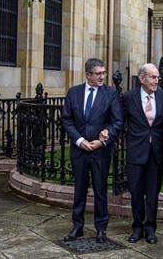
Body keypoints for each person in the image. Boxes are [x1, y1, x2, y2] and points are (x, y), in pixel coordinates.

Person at [61, 58, 123, 243]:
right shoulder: (73, 93)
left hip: (100, 152)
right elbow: (66, 120)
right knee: (79, 190)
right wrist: (79, 141)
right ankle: (77, 227)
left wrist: (103, 139)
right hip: (79, 151)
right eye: (98, 73)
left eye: (104, 73)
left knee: (100, 191)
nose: (102, 76)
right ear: (88, 74)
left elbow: (117, 122)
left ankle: (101, 229)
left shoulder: (110, 93)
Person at [122, 63, 163, 244]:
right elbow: (121, 121)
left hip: (157, 152)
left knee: (152, 192)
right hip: (136, 151)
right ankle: (137, 228)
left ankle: (150, 227)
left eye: (157, 77)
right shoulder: (129, 97)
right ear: (142, 79)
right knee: (136, 192)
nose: (156, 80)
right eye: (153, 77)